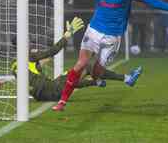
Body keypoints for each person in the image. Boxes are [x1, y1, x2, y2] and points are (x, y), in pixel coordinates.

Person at [33, 0, 168, 111]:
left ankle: (115, 78)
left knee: (97, 72)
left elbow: (149, 0)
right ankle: (62, 102)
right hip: (94, 30)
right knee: (80, 64)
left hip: (112, 37)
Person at [10, 17, 140, 101]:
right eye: (27, 41)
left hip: (41, 94)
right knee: (88, 65)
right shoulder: (28, 56)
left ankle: (97, 82)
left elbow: (37, 68)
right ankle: (126, 79)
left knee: (72, 75)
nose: (30, 43)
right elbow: (53, 51)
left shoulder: (15, 64)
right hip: (52, 89)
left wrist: (43, 58)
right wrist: (67, 35)